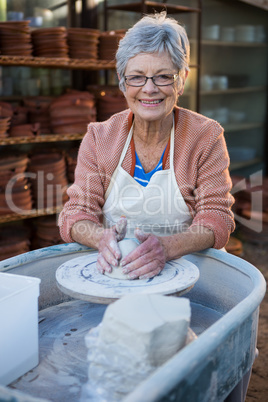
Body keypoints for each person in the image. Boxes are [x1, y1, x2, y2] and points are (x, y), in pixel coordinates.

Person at [58, 12, 235, 280]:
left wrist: (168, 247)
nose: (149, 89)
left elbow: (217, 218)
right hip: (119, 276)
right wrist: (100, 238)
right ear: (122, 80)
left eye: (163, 76)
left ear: (182, 80)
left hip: (192, 277)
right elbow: (75, 214)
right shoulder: (100, 138)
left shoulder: (205, 136)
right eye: (137, 77)